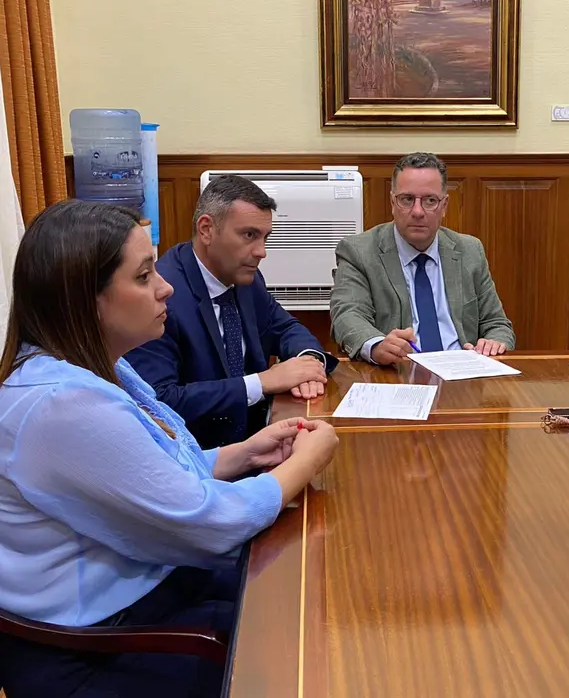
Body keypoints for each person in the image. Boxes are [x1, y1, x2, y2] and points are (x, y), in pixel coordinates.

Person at [0, 200, 339, 698]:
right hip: (93, 648)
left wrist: (242, 454)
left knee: (312, 595)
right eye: (143, 276)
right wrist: (303, 465)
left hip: (142, 595)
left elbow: (148, 471)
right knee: (307, 650)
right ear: (85, 300)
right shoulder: (62, 405)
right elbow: (206, 523)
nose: (166, 288)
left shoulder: (93, 368)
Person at [126, 175, 338, 448]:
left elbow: (284, 327)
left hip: (261, 438)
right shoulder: (162, 296)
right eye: (249, 235)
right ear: (206, 229)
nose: (262, 252)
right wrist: (261, 383)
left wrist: (307, 363)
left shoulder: (244, 278)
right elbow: (160, 402)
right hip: (199, 457)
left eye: (265, 237)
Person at [330, 152, 515, 363]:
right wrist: (376, 345)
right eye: (407, 199)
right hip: (397, 372)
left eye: (430, 200)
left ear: (444, 206)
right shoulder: (359, 251)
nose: (417, 211)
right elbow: (347, 315)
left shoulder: (470, 250)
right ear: (392, 203)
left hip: (463, 375)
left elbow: (497, 324)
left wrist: (493, 342)